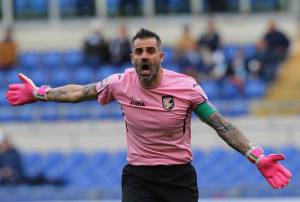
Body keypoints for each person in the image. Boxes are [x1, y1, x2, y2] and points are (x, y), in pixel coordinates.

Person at [6, 28, 291, 201]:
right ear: (132, 57)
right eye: (139, 51)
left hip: (179, 178)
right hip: (139, 177)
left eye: (150, 51)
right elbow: (80, 92)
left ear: (160, 57)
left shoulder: (186, 87)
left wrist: (256, 156)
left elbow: (222, 126)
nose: (144, 55)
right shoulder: (120, 83)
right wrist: (39, 93)